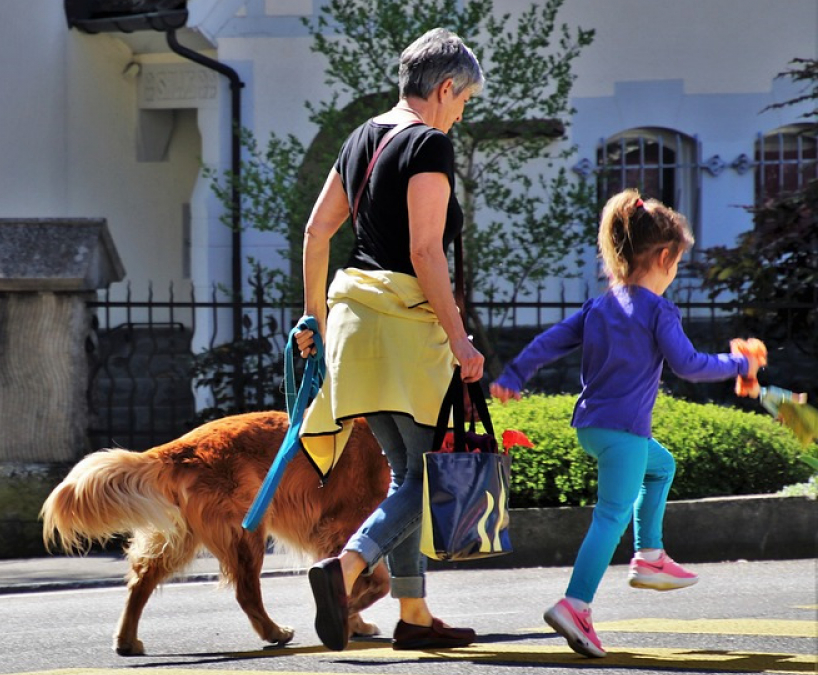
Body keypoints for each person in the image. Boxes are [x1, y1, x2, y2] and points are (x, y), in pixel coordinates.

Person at [489, 189, 764, 658]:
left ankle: (650, 555)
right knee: (611, 516)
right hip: (624, 433)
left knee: (661, 467)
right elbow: (689, 364)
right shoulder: (659, 310)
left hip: (592, 429)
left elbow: (550, 340)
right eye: (676, 262)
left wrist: (514, 374)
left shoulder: (600, 306)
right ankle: (575, 604)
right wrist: (739, 364)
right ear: (663, 257)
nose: (675, 271)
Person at [291, 27, 485, 652]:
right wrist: (460, 339)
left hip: (353, 324)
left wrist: (314, 321)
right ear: (445, 86)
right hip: (405, 325)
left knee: (407, 474)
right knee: (429, 479)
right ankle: (345, 569)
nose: (461, 112)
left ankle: (416, 617)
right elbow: (425, 250)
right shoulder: (428, 144)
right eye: (464, 100)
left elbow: (317, 233)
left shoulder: (361, 138)